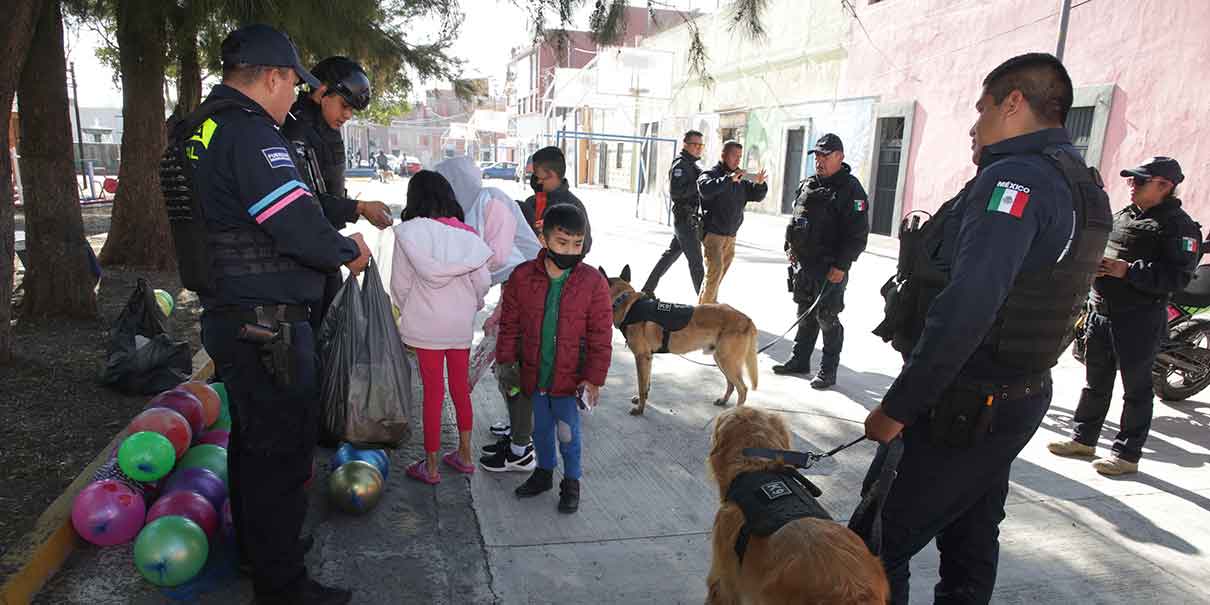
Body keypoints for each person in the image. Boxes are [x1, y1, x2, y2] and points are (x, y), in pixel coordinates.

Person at [862, 53, 1111, 603]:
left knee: (873, 550)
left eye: (984, 108)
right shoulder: (1082, 182)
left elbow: (968, 307)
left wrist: (898, 408)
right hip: (1014, 395)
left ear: (1014, 102)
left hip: (965, 403)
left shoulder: (1016, 180)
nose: (976, 124)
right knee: (971, 534)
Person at [163, 24, 372, 605]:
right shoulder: (252, 134)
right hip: (267, 323)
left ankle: (262, 551)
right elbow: (292, 219)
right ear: (275, 77)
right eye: (291, 85)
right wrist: (346, 250)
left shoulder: (199, 126)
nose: (294, 99)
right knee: (281, 454)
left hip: (231, 312)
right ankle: (283, 588)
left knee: (252, 447)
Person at [1048, 157, 1200, 475]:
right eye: (1131, 179)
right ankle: (1083, 438)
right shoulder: (1123, 217)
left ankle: (1127, 455)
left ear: (1165, 186)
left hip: (1139, 319)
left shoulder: (1178, 226)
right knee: (1095, 383)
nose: (1132, 185)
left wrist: (1127, 271)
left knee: (1136, 390)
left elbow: (1178, 277)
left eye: (1140, 181)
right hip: (1102, 314)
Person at [494, 204, 612, 513]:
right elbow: (509, 325)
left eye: (577, 244)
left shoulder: (593, 282)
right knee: (541, 431)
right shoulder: (521, 277)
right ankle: (544, 473)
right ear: (543, 239)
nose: (571, 251)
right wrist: (506, 364)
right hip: (533, 375)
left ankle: (570, 482)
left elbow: (601, 336)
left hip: (568, 380)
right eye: (562, 242)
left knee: (567, 433)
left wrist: (593, 379)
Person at [433, 157, 545, 472]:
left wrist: (465, 286)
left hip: (527, 291)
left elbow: (493, 256)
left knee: (513, 369)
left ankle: (522, 447)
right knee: (507, 369)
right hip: (513, 290)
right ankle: (519, 430)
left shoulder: (492, 200)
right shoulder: (469, 207)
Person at [390, 170, 492, 484]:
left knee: (433, 393)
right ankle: (464, 455)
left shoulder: (409, 235)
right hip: (458, 325)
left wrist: (409, 311)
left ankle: (431, 467)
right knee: (460, 389)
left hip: (425, 326)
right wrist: (470, 305)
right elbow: (483, 283)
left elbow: (400, 285)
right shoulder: (469, 237)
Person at [281, 55, 392, 331]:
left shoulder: (324, 128)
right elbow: (303, 203)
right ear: (321, 92)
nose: (346, 116)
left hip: (324, 247)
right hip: (301, 258)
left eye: (352, 111)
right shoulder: (297, 129)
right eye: (344, 106)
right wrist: (360, 208)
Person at [772, 133, 870, 389]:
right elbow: (796, 219)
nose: (819, 160)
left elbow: (857, 235)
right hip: (804, 264)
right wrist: (790, 248)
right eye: (817, 155)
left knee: (827, 317)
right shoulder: (807, 184)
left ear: (840, 157)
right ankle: (799, 359)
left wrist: (842, 266)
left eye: (825, 155)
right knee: (804, 312)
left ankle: (828, 370)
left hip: (830, 267)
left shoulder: (851, 190)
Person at [696, 141, 768, 304]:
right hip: (713, 235)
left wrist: (761, 184)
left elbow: (756, 195)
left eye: (740, 157)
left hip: (731, 236)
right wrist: (728, 180)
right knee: (715, 272)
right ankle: (705, 313)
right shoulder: (711, 174)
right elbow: (705, 189)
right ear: (723, 155)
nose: (737, 160)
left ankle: (704, 307)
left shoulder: (740, 178)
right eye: (734, 155)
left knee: (716, 277)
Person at [641, 130, 707, 296]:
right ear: (686, 145)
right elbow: (677, 193)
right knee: (696, 263)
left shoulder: (692, 166)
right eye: (695, 145)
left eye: (701, 145)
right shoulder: (681, 166)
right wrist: (699, 185)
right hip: (685, 218)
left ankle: (648, 289)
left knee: (670, 255)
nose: (699, 148)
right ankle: (706, 301)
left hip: (688, 218)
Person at [519, 146, 592, 254]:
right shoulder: (530, 202)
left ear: (552, 175)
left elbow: (585, 245)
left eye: (540, 177)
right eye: (535, 176)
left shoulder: (573, 206)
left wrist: (555, 231)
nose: (537, 181)